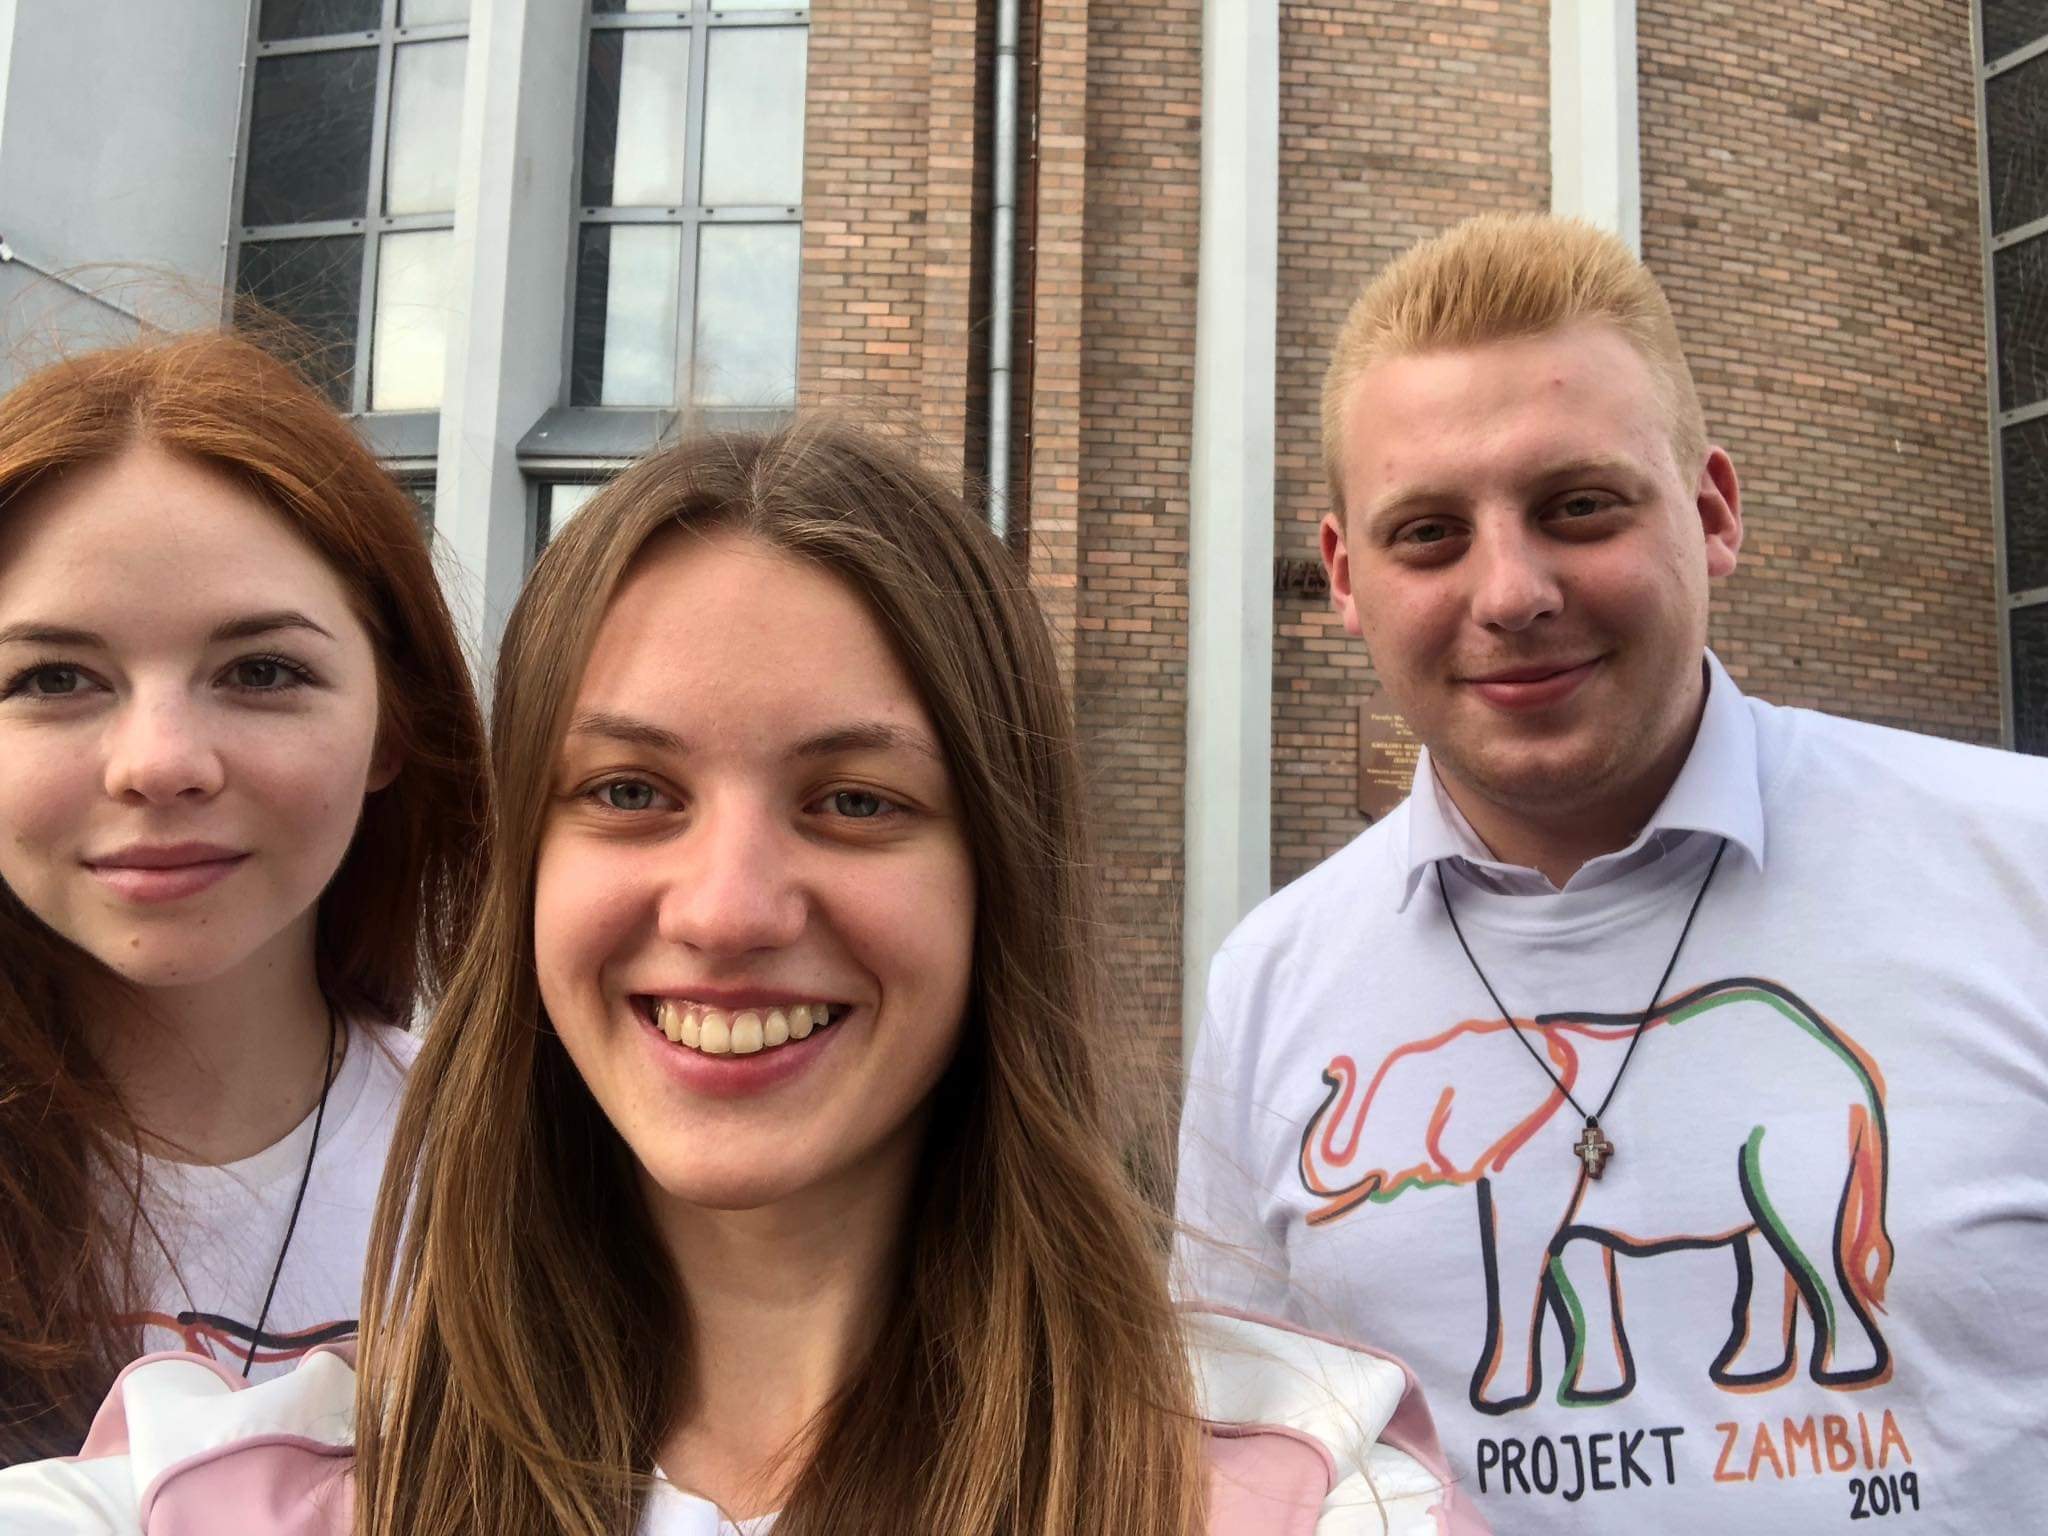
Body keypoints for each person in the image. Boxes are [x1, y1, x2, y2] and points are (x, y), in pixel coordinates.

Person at [0, 421, 1481, 1533]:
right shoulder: (222, 1487)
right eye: (630, 792)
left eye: (855, 802)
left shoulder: (1296, 1489)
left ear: (998, 878)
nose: (724, 911)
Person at [1173, 210, 2048, 1534]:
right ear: (1346, 576)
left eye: (1578, 506)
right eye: (1429, 533)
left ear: (1711, 513)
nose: (1510, 592)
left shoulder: (2021, 863)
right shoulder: (1269, 986)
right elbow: (1247, 1470)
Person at [0, 331, 488, 1462]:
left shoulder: (531, 1175)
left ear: (393, 722)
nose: (160, 763)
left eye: (261, 671)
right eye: (53, 678)